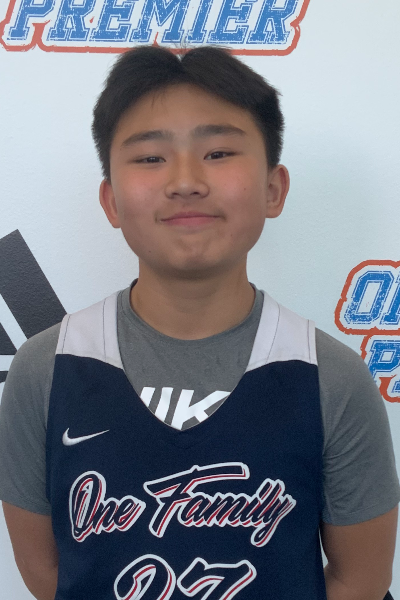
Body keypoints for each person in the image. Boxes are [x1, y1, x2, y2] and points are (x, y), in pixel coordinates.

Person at [0, 45, 399, 600]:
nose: (185, 181)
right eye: (150, 158)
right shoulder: (45, 370)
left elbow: (361, 579)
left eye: (218, 152)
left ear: (273, 188)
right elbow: (49, 573)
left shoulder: (330, 378)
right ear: (110, 201)